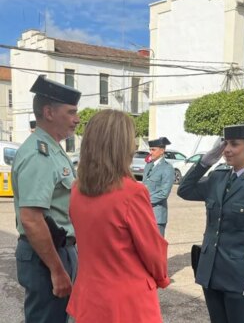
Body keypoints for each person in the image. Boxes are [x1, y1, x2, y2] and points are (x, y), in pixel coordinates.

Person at [67, 110, 170, 323]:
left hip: (89, 297)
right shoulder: (132, 193)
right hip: (127, 304)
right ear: (122, 147)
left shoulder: (77, 190)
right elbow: (153, 252)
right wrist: (161, 278)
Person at [178, 123, 244, 323]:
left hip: (241, 277)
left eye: (234, 144)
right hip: (211, 273)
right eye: (225, 144)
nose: (227, 149)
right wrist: (204, 162)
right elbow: (185, 190)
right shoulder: (217, 178)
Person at [11, 75, 81, 323]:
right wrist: (57, 270)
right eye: (71, 112)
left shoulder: (53, 149)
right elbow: (31, 218)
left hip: (59, 250)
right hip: (48, 255)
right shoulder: (38, 154)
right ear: (49, 112)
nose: (77, 119)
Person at [142, 137, 175, 236]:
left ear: (162, 151)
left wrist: (145, 200)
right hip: (144, 214)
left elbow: (164, 193)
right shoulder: (148, 166)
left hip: (157, 215)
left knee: (157, 248)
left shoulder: (167, 168)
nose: (151, 152)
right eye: (150, 149)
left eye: (153, 150)